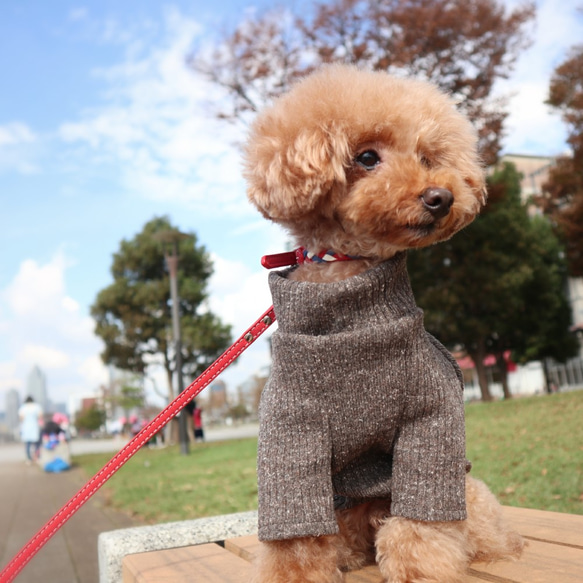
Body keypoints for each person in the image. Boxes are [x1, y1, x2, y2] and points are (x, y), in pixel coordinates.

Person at [18, 396, 44, 464]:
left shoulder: (23, 407)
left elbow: (21, 418)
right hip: (35, 426)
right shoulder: (37, 406)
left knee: (27, 445)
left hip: (25, 427)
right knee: (37, 444)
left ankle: (28, 459)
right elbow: (40, 416)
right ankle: (37, 457)